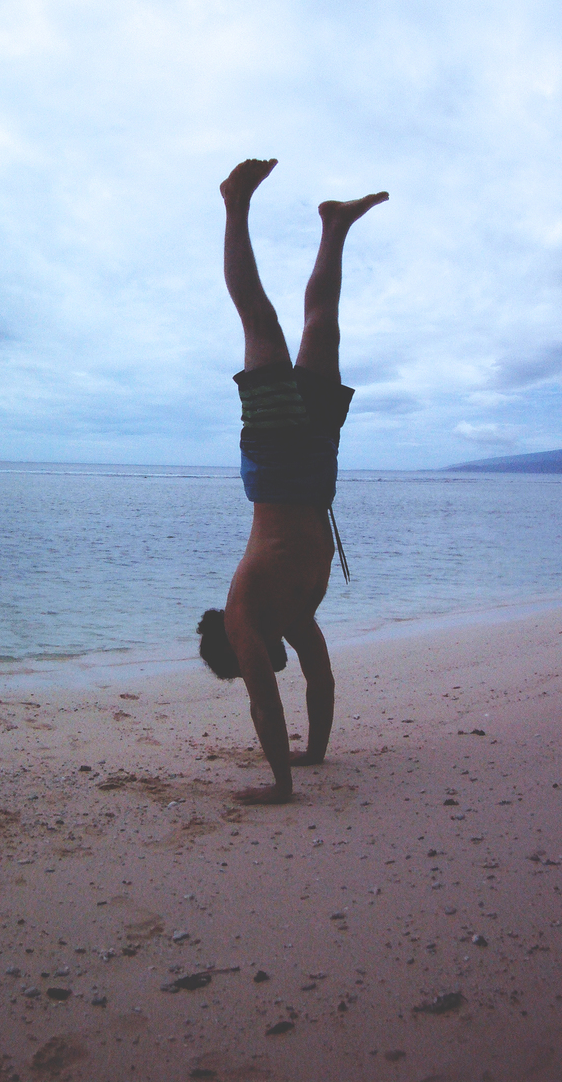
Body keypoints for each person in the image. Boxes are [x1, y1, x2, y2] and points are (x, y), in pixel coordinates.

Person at [197, 157, 388, 804]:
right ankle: (334, 226)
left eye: (253, 658)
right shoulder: (294, 617)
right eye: (267, 654)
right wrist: (315, 753)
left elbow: (265, 700)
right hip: (316, 466)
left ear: (235, 643)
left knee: (262, 322)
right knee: (322, 325)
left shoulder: (245, 613)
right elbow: (320, 678)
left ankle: (235, 202)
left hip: (279, 462)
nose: (265, 659)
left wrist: (279, 782)